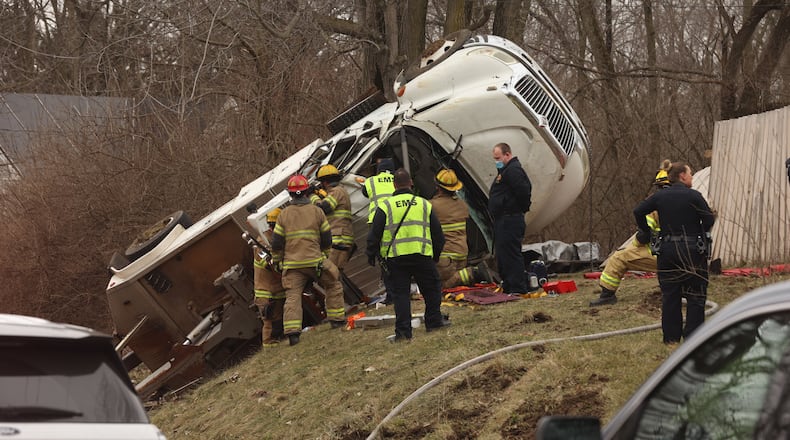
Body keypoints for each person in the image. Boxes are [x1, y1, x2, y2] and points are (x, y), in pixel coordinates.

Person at [633, 161, 715, 344]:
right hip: (692, 251)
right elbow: (709, 218)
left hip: (668, 250)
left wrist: (647, 231)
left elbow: (638, 211)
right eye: (690, 174)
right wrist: (699, 232)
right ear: (682, 176)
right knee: (696, 296)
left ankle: (671, 339)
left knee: (670, 296)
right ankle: (693, 338)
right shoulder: (694, 196)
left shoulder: (660, 197)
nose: (692, 177)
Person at [366, 168, 449, 341]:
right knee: (432, 289)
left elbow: (374, 234)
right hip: (422, 256)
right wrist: (434, 256)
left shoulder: (385, 206)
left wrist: (371, 255)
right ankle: (434, 321)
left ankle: (403, 333)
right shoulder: (424, 204)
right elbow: (438, 235)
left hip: (396, 259)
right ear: (411, 183)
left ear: (394, 185)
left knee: (401, 295)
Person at [271, 174, 346, 346]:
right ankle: (337, 319)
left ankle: (293, 333)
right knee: (333, 283)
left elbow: (277, 243)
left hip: (292, 265)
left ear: (290, 195)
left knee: (293, 296)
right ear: (306, 192)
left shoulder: (283, 215)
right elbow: (327, 238)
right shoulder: (317, 211)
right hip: (315, 261)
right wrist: (325, 254)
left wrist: (277, 261)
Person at [590, 161, 671, 306]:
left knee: (619, 257)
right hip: (688, 259)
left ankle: (607, 295)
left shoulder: (656, 208)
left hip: (666, 256)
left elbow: (643, 236)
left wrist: (632, 248)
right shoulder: (690, 200)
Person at [430, 168, 492, 288]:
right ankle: (466, 274)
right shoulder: (463, 205)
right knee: (454, 283)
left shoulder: (432, 206)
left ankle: (474, 273)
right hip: (462, 255)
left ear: (438, 187)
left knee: (438, 286)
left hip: (444, 259)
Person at [488, 142, 532, 295]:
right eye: (495, 158)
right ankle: (508, 285)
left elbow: (524, 192)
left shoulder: (514, 171)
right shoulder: (505, 171)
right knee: (503, 254)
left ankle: (518, 288)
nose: (496, 161)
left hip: (510, 219)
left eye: (498, 158)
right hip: (503, 219)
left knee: (511, 254)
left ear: (507, 154)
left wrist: (515, 208)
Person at [363, 158, 396, 303]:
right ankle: (402, 289)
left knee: (383, 259)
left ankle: (391, 295)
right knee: (398, 254)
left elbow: (365, 192)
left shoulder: (371, 181)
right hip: (396, 220)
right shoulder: (397, 179)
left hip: (377, 222)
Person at [253, 208, 286, 347]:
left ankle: (276, 342)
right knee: (269, 320)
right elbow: (267, 263)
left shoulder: (276, 237)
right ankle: (268, 344)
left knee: (278, 319)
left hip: (277, 290)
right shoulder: (262, 241)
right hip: (266, 292)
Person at [312, 164, 354, 271]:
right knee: (333, 274)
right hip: (340, 239)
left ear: (325, 182)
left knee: (330, 274)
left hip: (339, 239)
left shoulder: (337, 191)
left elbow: (323, 208)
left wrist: (312, 196)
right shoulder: (337, 192)